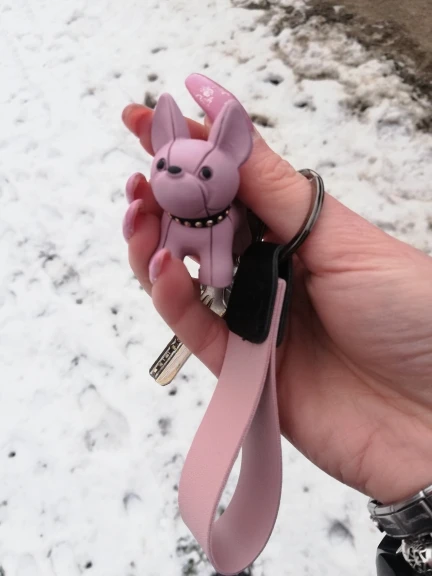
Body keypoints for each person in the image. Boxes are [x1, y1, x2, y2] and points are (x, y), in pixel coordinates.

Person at [121, 74, 432, 515]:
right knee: (168, 269)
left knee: (208, 271)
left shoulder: (228, 224)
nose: (176, 177)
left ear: (232, 156)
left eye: (203, 172)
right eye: (166, 166)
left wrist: (220, 275)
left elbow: (218, 266)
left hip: (223, 246)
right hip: (184, 236)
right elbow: (169, 248)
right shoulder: (171, 220)